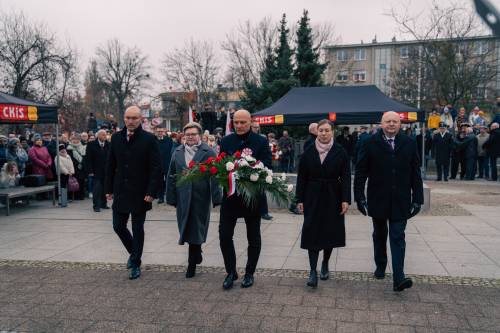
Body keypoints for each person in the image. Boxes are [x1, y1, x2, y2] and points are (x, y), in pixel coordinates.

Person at [354, 111, 424, 292]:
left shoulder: (409, 142)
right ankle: (381, 264)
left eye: (395, 121)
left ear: (400, 124)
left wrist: (417, 199)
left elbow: (416, 171)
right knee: (379, 234)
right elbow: (361, 172)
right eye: (388, 121)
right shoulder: (369, 142)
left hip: (401, 200)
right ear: (381, 124)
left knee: (398, 236)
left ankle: (399, 277)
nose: (391, 124)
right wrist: (359, 197)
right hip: (378, 198)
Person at [105, 106, 161, 280]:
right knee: (118, 226)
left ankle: (135, 263)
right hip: (121, 190)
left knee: (138, 229)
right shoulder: (115, 138)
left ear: (141, 119)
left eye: (134, 118)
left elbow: (156, 168)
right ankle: (134, 253)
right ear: (124, 118)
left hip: (141, 192)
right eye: (128, 118)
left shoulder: (149, 139)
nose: (130, 121)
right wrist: (108, 189)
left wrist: (152, 191)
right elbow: (110, 164)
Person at [218, 109, 272, 290]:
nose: (239, 125)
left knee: (253, 237)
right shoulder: (225, 141)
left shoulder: (261, 142)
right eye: (236, 122)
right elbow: (220, 166)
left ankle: (249, 273)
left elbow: (267, 167)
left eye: (243, 122)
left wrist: (249, 170)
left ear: (250, 122)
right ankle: (231, 272)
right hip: (231, 197)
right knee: (224, 236)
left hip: (252, 198)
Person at [296, 119, 351, 288]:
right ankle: (313, 271)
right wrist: (300, 199)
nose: (324, 133)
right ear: (316, 132)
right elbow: (302, 177)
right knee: (312, 230)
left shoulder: (340, 151)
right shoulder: (308, 151)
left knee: (330, 231)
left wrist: (345, 199)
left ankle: (325, 263)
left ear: (332, 132)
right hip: (312, 195)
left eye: (327, 130)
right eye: (321, 130)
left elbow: (346, 177)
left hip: (333, 195)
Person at [167, 122, 222, 278]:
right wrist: (171, 197)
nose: (190, 137)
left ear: (199, 136)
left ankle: (192, 264)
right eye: (187, 134)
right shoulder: (177, 152)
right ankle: (197, 252)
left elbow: (216, 175)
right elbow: (171, 175)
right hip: (182, 196)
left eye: (193, 134)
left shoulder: (208, 151)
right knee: (186, 226)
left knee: (197, 226)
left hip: (200, 197)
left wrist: (217, 197)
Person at [251, 122, 273, 221]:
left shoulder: (262, 139)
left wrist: (264, 166)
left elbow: (267, 154)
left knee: (261, 191)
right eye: (255, 127)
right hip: (247, 167)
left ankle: (264, 212)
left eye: (258, 128)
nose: (257, 129)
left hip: (259, 167)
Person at [85, 129, 110, 212]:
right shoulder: (91, 144)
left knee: (105, 188)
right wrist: (90, 171)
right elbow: (88, 159)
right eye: (103, 135)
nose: (105, 136)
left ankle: (104, 204)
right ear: (98, 136)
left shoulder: (108, 144)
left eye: (105, 135)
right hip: (96, 171)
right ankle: (96, 206)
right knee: (97, 189)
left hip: (106, 171)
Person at [66, 134, 87, 200]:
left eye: (77, 139)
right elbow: (69, 158)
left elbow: (85, 157)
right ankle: (75, 196)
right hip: (74, 167)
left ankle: (81, 195)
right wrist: (77, 164)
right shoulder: (69, 148)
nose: (75, 141)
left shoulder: (83, 147)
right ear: (71, 140)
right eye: (74, 139)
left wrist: (82, 164)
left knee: (82, 181)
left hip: (82, 167)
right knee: (75, 182)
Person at [156, 128, 174, 204]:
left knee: (169, 181)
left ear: (164, 132)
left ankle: (169, 198)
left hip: (167, 164)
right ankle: (160, 198)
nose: (160, 133)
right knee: (159, 182)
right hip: (157, 165)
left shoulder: (169, 140)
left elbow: (171, 151)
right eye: (158, 131)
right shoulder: (153, 140)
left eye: (161, 131)